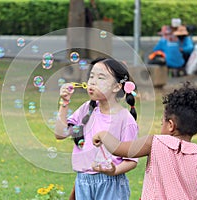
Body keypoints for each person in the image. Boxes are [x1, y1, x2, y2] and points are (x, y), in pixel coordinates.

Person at [93, 82, 197, 200]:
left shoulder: (154, 143)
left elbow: (120, 148)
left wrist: (103, 134)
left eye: (161, 122)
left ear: (171, 125)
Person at [55, 58, 139, 199]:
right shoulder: (87, 109)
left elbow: (132, 161)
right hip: (83, 180)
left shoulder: (125, 120)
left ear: (117, 87)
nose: (92, 82)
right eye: (91, 76)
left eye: (101, 78)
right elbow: (60, 134)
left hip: (111, 183)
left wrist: (114, 171)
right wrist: (64, 102)